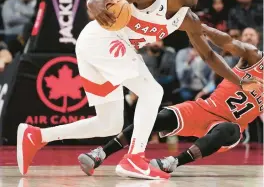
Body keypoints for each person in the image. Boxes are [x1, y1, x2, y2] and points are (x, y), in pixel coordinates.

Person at [17, 0, 260, 180]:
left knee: (109, 124)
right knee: (153, 91)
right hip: (102, 39)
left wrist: (239, 83)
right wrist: (93, 0)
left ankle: (36, 136)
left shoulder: (188, 19)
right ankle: (134, 158)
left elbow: (209, 55)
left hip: (105, 51)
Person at [78, 22, 263, 175]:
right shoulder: (255, 58)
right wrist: (204, 28)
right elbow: (229, 42)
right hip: (204, 108)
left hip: (228, 127)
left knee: (230, 129)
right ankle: (100, 153)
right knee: (159, 118)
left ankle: (173, 162)